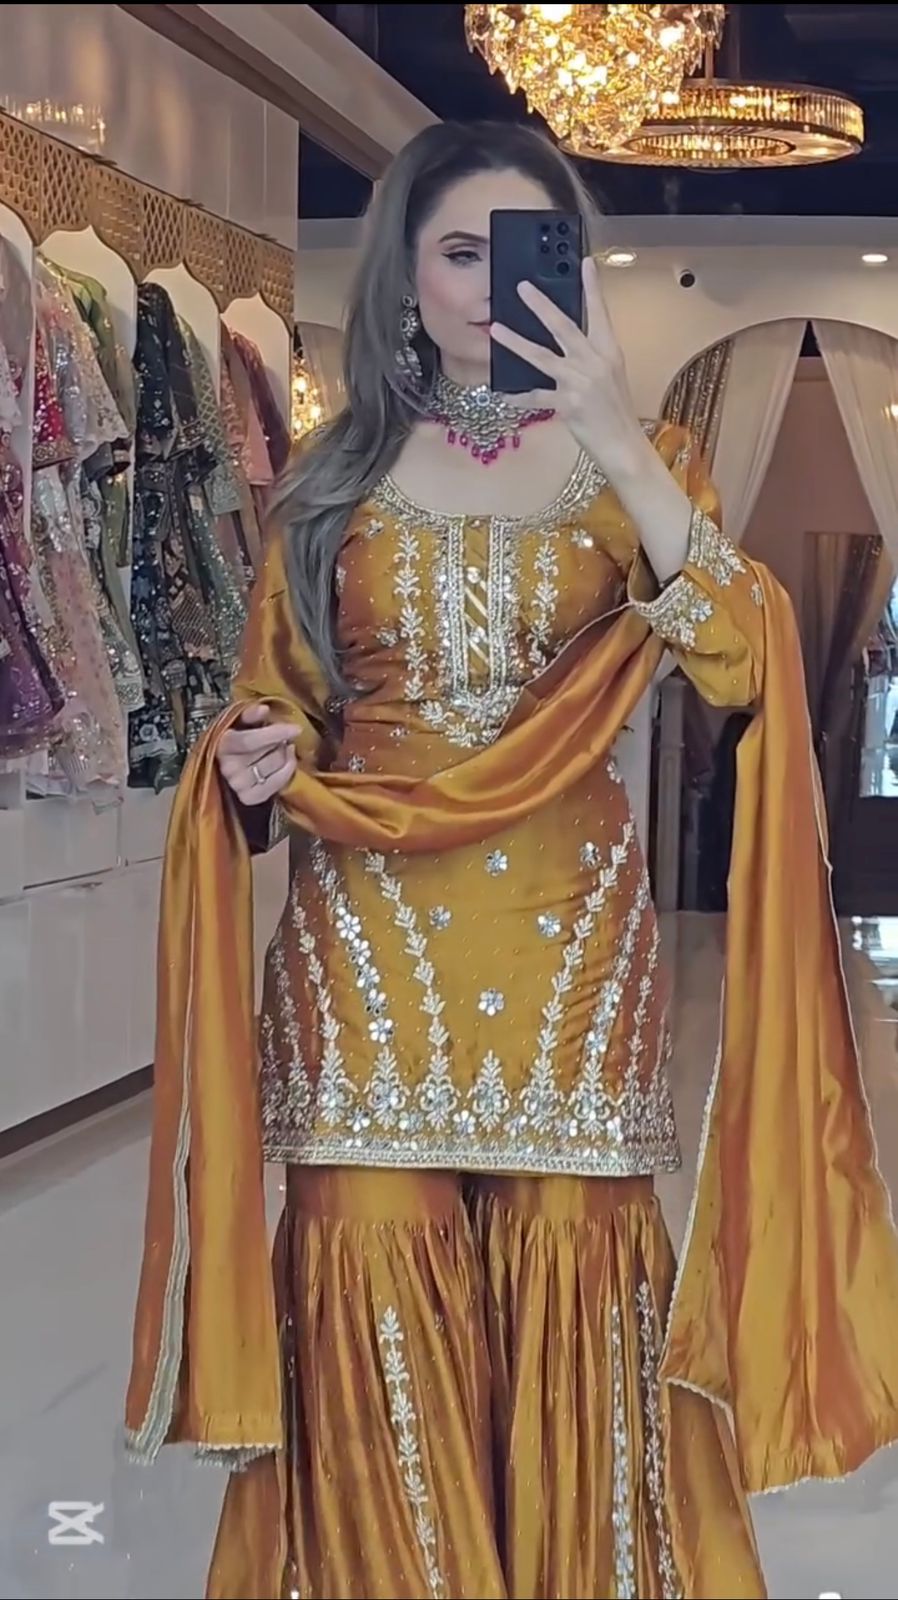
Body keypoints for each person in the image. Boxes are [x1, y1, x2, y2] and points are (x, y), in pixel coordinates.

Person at [126, 122, 898, 1600]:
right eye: (459, 252)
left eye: (524, 254)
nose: (490, 287)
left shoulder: (645, 467)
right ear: (405, 276)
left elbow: (743, 666)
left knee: (572, 1260)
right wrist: (253, 757)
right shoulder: (326, 480)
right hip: (369, 943)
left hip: (569, 943)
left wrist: (614, 432)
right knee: (369, 1265)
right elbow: (280, 698)